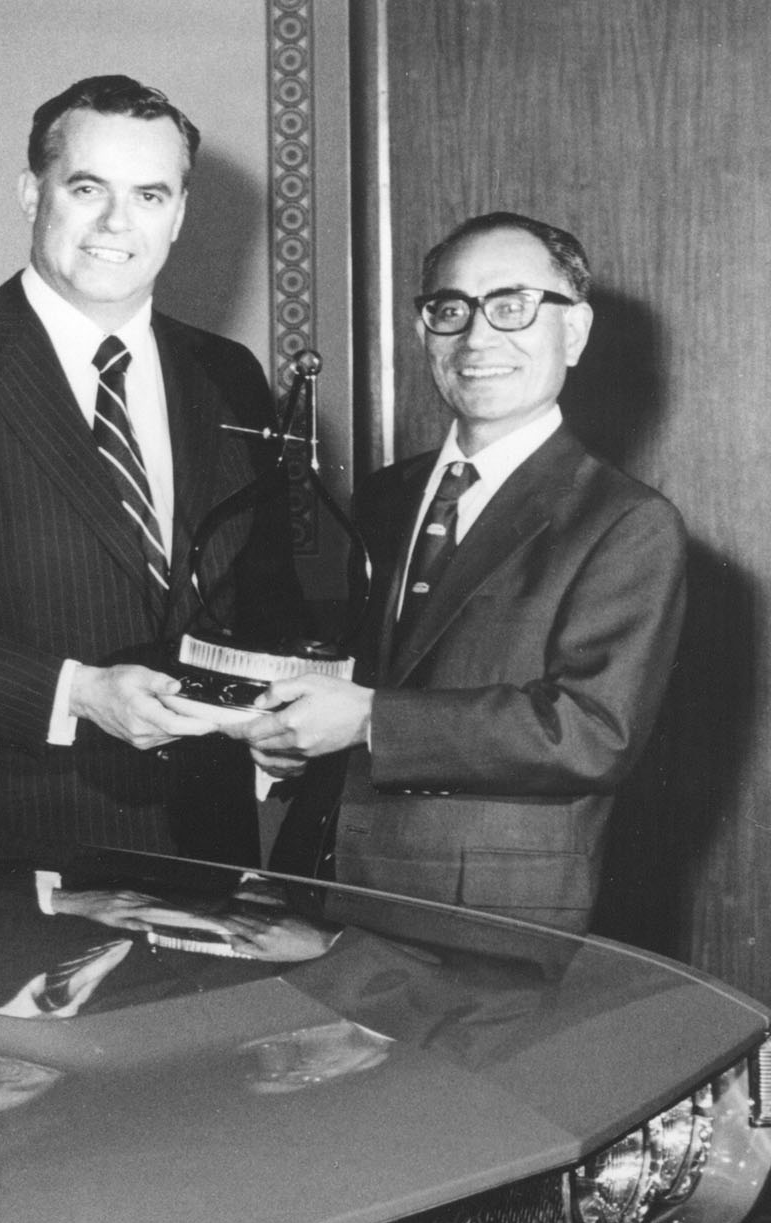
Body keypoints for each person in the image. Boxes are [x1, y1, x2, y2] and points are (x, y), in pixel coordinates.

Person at [0, 75, 304, 867]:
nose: (118, 222)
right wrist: (76, 694)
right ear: (30, 192)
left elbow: (264, 596)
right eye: (88, 188)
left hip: (213, 844)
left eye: (150, 195)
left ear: (179, 214)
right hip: (18, 848)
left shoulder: (228, 373)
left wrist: (279, 725)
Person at [247, 212, 686, 930]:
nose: (478, 338)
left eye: (511, 308)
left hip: (487, 916)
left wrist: (366, 721)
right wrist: (290, 740)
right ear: (424, 334)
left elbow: (591, 732)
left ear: (572, 333)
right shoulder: (384, 497)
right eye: (451, 310)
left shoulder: (625, 521)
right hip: (321, 889)